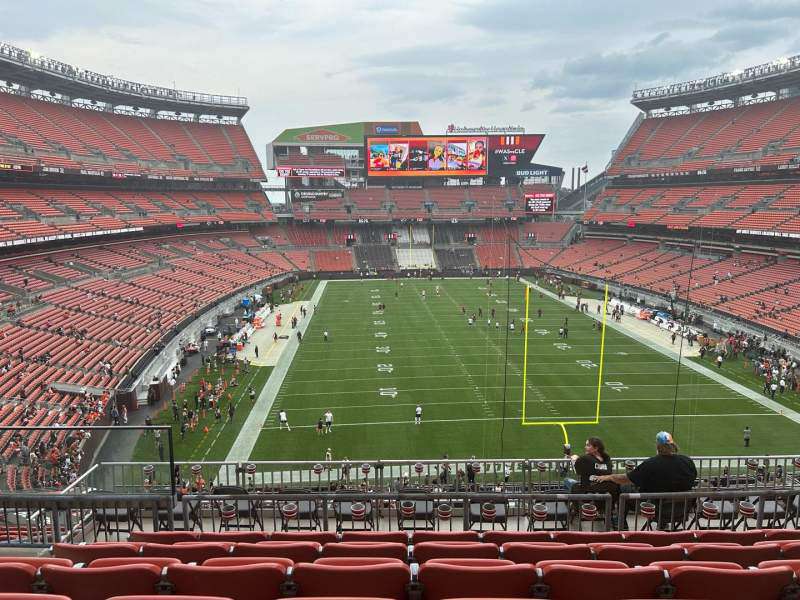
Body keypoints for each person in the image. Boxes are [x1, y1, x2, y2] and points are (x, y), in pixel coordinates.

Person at [595, 431, 697, 527]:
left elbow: (625, 479)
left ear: (658, 446)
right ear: (673, 445)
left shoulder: (651, 463)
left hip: (655, 509)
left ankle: (620, 522)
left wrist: (610, 476)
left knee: (624, 489)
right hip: (682, 509)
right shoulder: (687, 461)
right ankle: (662, 524)